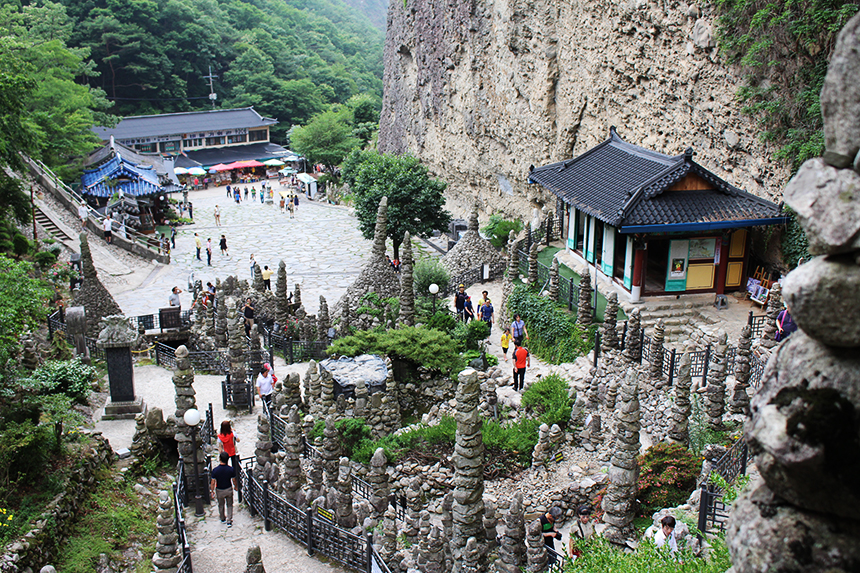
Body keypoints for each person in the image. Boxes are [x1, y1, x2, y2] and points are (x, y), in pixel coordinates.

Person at [210, 452, 237, 526]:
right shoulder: (231, 469)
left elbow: (213, 482)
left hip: (219, 490)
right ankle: (229, 520)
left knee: (221, 505)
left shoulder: (215, 470)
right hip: (228, 488)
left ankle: (222, 518)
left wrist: (212, 491)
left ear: (220, 459)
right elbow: (234, 480)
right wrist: (236, 486)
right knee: (230, 505)